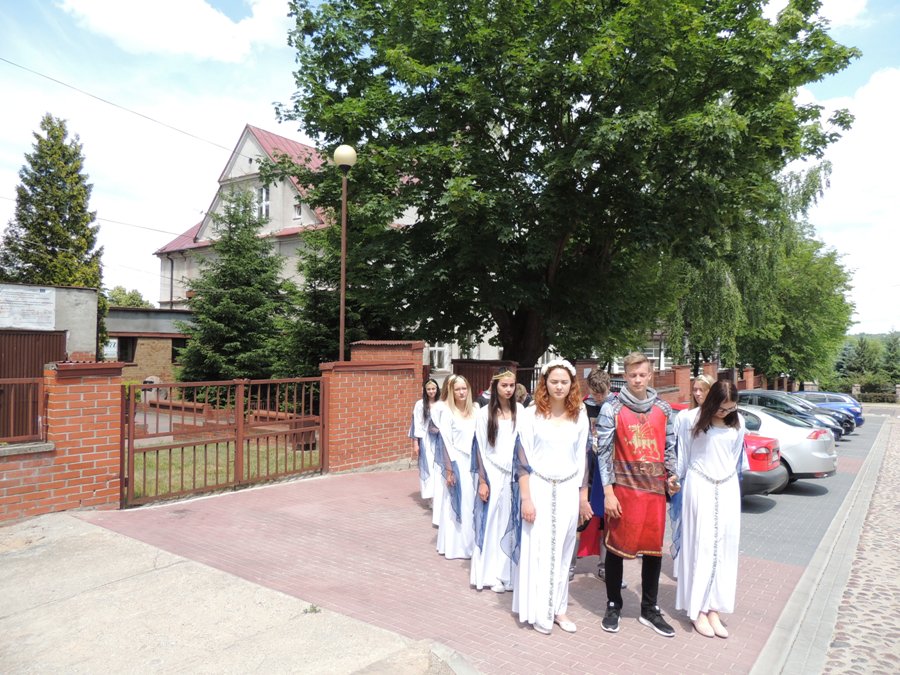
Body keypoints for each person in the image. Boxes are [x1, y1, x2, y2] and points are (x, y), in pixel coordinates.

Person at [595, 352, 679, 637]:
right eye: (633, 375)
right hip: (624, 490)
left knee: (653, 550)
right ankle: (613, 604)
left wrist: (673, 476)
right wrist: (608, 492)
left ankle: (649, 608)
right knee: (616, 549)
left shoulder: (664, 409)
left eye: (643, 375)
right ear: (625, 376)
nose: (638, 380)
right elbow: (603, 453)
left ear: (650, 375)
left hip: (654, 492)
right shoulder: (612, 408)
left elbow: (669, 449)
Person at [511, 358, 588, 635]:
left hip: (567, 489)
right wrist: (526, 499)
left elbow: (582, 458)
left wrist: (582, 497)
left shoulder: (579, 414)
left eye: (564, 382)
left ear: (572, 384)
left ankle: (559, 609)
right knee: (540, 551)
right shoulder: (530, 415)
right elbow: (522, 460)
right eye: (554, 381)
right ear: (545, 383)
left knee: (565, 550)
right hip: (539, 488)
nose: (559, 386)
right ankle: (538, 609)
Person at [673, 380, 747, 638]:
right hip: (699, 485)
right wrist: (676, 480)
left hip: (726, 487)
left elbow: (734, 457)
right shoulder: (690, 419)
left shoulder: (738, 423)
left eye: (730, 409)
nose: (724, 413)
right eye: (721, 408)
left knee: (724, 547)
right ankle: (698, 609)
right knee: (700, 545)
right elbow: (683, 455)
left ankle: (714, 607)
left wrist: (726, 479)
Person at [573, 369, 625, 589]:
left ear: (609, 387)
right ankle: (570, 566)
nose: (598, 397)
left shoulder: (618, 406)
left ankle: (606, 567)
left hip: (609, 469)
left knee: (608, 520)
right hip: (587, 466)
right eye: (595, 393)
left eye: (602, 393)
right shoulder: (582, 407)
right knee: (579, 517)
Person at [471, 369, 522, 593]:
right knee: (491, 521)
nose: (509, 389)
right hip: (492, 471)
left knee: (510, 522)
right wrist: (483, 481)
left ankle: (507, 573)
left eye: (511, 385)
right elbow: (480, 449)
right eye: (504, 385)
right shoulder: (484, 414)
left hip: (514, 474)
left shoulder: (521, 411)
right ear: (495, 387)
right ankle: (490, 574)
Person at [434, 374, 478, 560]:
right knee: (459, 501)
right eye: (457, 389)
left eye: (464, 388)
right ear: (451, 392)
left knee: (472, 503)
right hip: (457, 460)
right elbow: (445, 442)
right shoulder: (448, 412)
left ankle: (472, 544)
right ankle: (455, 546)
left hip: (474, 462)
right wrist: (449, 470)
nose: (461, 392)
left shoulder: (476, 410)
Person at [408, 378, 441, 507]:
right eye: (429, 389)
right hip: (427, 439)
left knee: (439, 468)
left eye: (433, 389)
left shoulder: (442, 404)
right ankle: (430, 496)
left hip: (440, 439)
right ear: (425, 391)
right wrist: (416, 443)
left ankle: (439, 496)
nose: (431, 391)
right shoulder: (420, 404)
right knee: (429, 468)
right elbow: (417, 424)